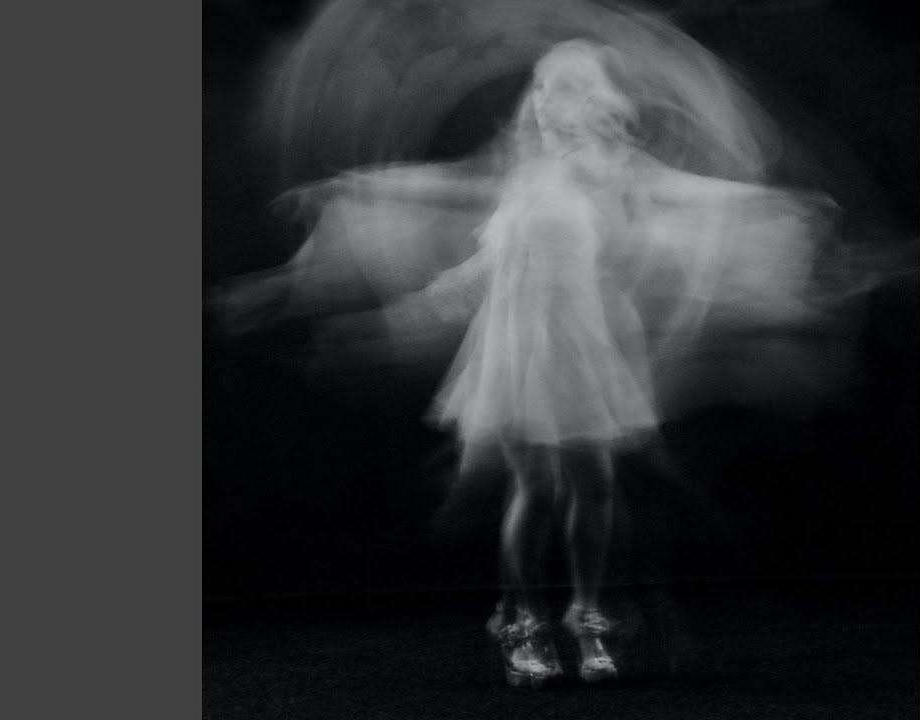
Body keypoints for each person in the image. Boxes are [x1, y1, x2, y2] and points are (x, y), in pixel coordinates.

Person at [218, 34, 874, 688]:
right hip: (523, 347)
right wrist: (360, 221)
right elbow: (452, 215)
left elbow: (698, 198)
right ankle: (522, 621)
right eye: (543, 93)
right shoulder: (520, 174)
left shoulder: (621, 172)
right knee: (533, 488)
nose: (549, 106)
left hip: (587, 346)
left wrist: (779, 209)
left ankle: (589, 617)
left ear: (591, 101)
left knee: (594, 487)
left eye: (564, 92)